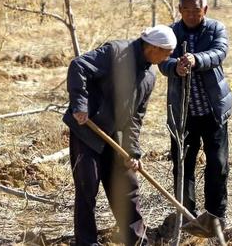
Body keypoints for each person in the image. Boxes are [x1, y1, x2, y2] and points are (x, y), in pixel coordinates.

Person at [63, 25, 177, 246]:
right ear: (153, 47)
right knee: (88, 188)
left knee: (128, 189)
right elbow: (79, 66)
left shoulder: (149, 77)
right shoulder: (116, 52)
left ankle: (137, 241)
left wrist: (133, 151)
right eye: (167, 51)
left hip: (115, 137)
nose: (169, 56)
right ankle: (87, 242)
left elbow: (136, 118)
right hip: (88, 131)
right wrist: (80, 105)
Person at [159, 0, 232, 228]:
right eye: (187, 11)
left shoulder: (215, 29)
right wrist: (174, 68)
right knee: (182, 164)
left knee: (218, 163)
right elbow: (161, 59)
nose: (192, 15)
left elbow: (220, 52)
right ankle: (186, 214)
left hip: (213, 111)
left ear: (205, 10)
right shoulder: (170, 32)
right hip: (183, 115)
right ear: (179, 10)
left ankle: (215, 216)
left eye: (197, 11)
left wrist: (196, 59)